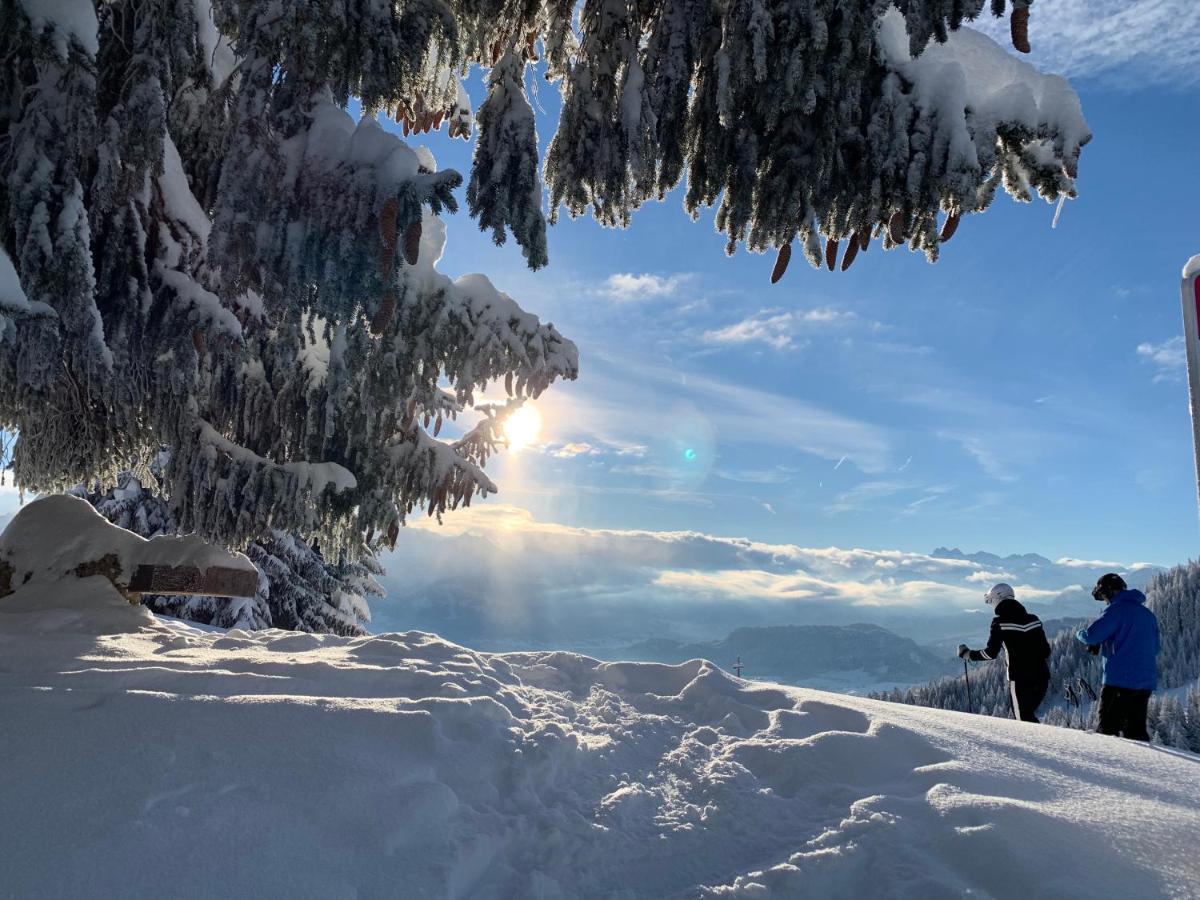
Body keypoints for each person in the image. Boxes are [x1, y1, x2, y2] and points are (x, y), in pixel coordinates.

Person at [1075, 573, 1159, 741]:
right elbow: (1156, 648)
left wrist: (1079, 634)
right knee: (1135, 733)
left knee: (1107, 732)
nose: (1105, 601)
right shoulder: (1147, 614)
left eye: (1104, 596)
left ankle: (1108, 767)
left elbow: (1091, 635)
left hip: (1120, 681)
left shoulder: (1116, 610)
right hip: (1145, 683)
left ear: (1109, 592)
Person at [958, 583, 1051, 722]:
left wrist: (968, 654)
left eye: (991, 601)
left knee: (1023, 722)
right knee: (1029, 718)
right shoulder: (1034, 619)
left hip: (1020, 679)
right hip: (1042, 677)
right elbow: (1046, 651)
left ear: (997, 599)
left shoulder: (999, 622)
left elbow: (990, 653)